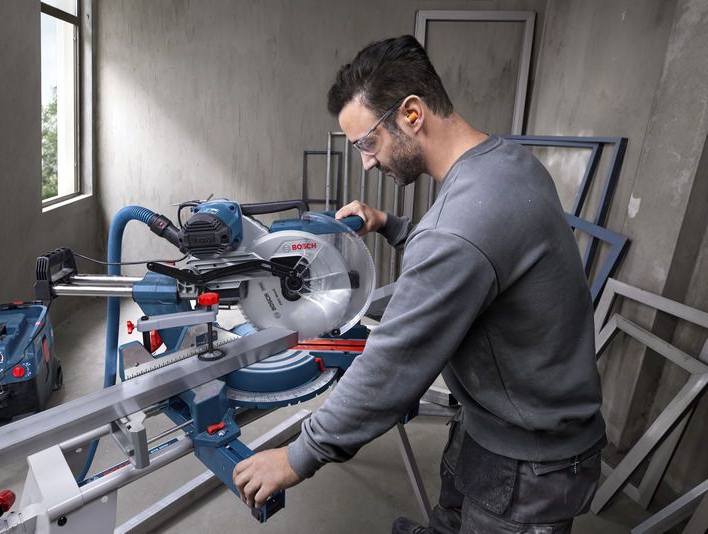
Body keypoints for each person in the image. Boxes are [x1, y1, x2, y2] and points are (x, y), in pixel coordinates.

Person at [233, 35, 605, 533]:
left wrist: (299, 454)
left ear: (411, 114)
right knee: (449, 516)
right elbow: (479, 259)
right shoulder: (509, 163)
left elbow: (394, 360)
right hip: (496, 419)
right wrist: (389, 224)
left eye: (367, 143)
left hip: (528, 462)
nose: (366, 161)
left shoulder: (457, 229)